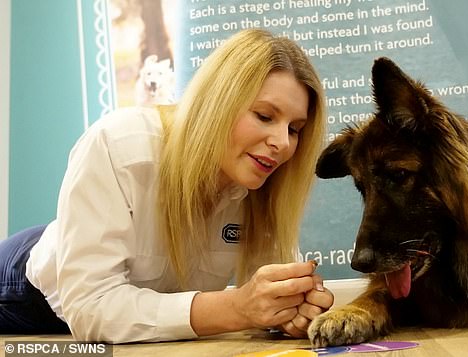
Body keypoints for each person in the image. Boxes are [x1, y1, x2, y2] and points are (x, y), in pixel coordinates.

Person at [0, 28, 334, 343]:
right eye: (264, 116)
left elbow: (272, 294)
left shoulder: (263, 188)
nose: (283, 143)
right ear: (217, 102)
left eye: (294, 129)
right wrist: (236, 309)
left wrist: (291, 308)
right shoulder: (118, 145)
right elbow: (90, 306)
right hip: (24, 288)